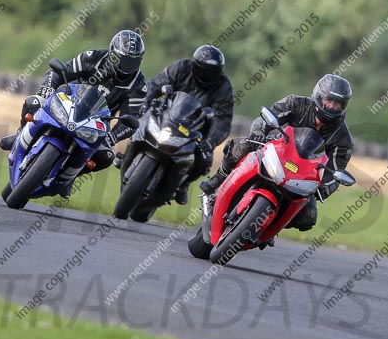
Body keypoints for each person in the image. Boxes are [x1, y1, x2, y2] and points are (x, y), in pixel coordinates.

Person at [0, 29, 147, 197]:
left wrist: (113, 136)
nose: (125, 67)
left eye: (131, 63)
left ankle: (71, 177)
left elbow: (132, 119)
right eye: (121, 60)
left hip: (96, 121)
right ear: (112, 53)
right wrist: (47, 88)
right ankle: (19, 134)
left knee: (106, 155)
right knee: (34, 101)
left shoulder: (139, 86)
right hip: (69, 102)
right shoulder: (92, 57)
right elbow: (58, 70)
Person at [200, 74, 354, 235]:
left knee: (308, 217)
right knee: (241, 146)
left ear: (344, 106)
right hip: (274, 150)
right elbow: (267, 117)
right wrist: (259, 132)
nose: (331, 106)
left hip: (302, 173)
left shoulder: (343, 137)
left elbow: (337, 170)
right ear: (318, 96)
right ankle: (219, 178)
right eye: (328, 100)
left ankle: (269, 225)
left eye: (337, 104)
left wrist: (326, 188)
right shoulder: (296, 103)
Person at [136, 44, 234, 205]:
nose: (206, 76)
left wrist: (210, 142)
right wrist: (145, 102)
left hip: (195, 129)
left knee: (204, 159)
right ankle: (128, 154)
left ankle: (183, 184)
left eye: (211, 73)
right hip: (166, 116)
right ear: (194, 65)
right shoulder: (181, 68)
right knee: (140, 122)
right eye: (203, 70)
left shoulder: (223, 86)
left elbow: (222, 119)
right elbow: (155, 84)